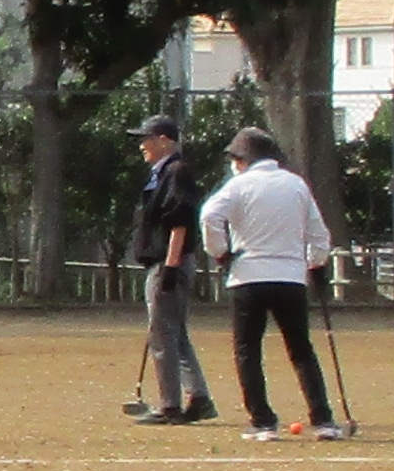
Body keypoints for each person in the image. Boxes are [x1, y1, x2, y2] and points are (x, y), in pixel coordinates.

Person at [197, 125, 343, 441]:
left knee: (248, 349)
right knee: (301, 349)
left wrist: (221, 253)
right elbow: (319, 235)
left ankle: (263, 422)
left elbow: (209, 216)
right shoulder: (296, 185)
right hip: (290, 278)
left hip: (247, 277)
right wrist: (315, 262)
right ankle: (323, 420)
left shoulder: (238, 186)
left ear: (242, 159)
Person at [125, 114, 215, 426]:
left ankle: (169, 405)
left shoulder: (176, 172)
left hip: (168, 262)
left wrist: (171, 266)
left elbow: (179, 221)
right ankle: (199, 397)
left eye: (146, 138)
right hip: (164, 261)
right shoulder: (161, 173)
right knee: (175, 334)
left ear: (164, 140)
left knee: (162, 335)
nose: (142, 145)